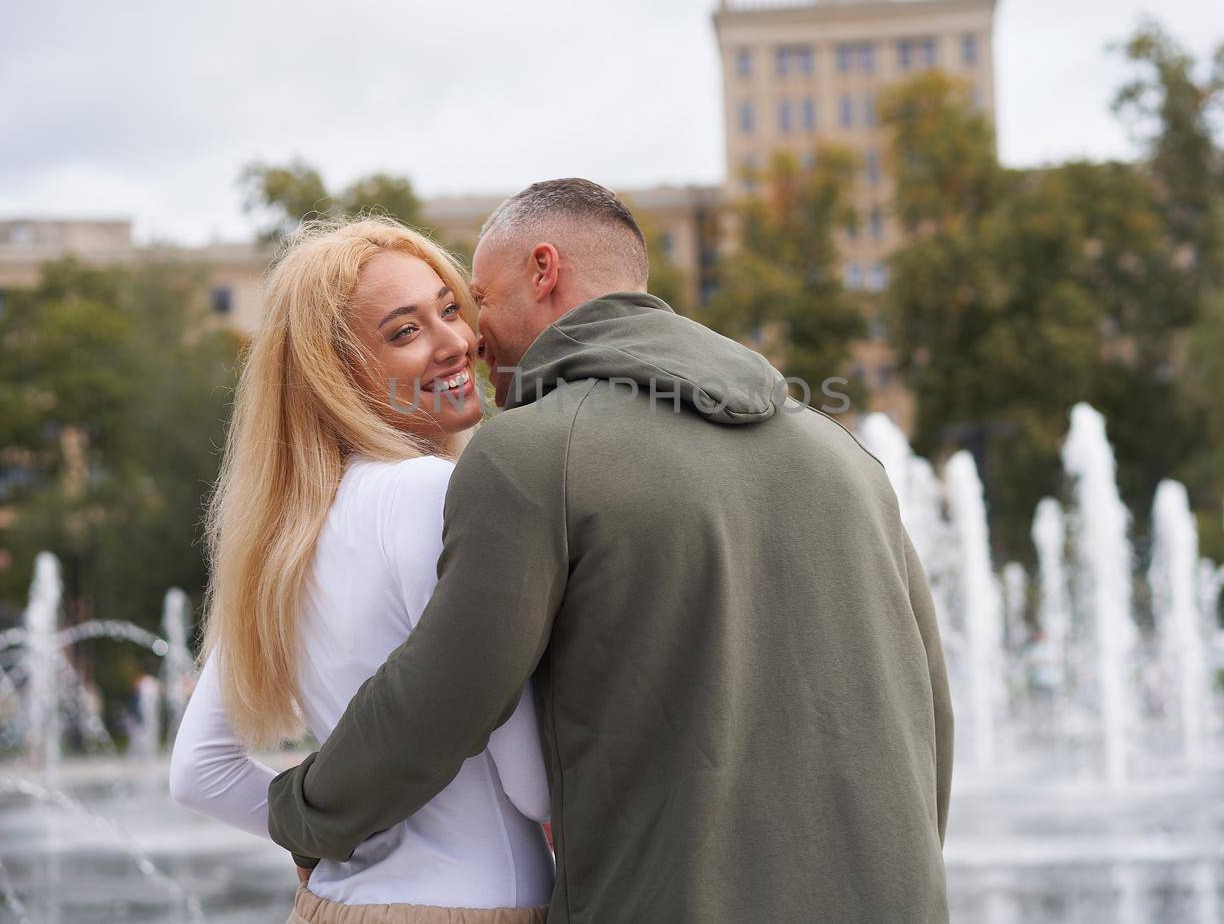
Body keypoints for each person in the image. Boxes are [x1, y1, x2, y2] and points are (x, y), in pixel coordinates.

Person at [267, 179, 954, 922]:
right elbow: (932, 712)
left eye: (479, 301)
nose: (474, 337)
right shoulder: (845, 457)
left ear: (543, 269)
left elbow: (441, 701)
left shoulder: (532, 452)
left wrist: (302, 813)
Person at [169, 218, 554, 924]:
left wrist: (334, 837)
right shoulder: (430, 493)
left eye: (449, 308)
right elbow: (533, 785)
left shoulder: (282, 534)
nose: (456, 342)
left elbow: (199, 773)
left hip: (331, 905)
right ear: (335, 374)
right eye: (404, 332)